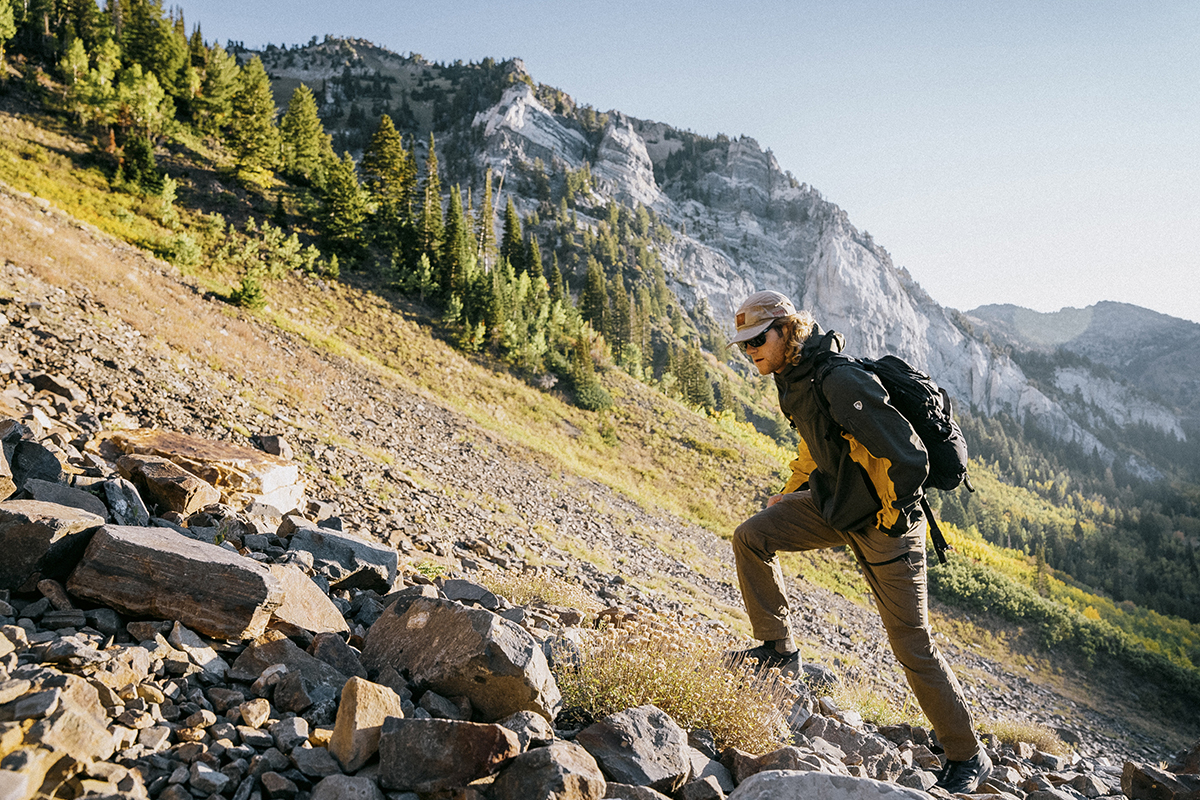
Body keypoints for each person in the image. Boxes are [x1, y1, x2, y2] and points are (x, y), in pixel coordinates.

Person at [727, 290, 992, 794]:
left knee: (911, 644)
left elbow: (909, 459)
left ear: (787, 330)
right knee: (753, 535)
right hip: (836, 506)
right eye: (743, 346)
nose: (751, 351)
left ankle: (968, 754)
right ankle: (778, 648)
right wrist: (788, 498)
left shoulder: (839, 378)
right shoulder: (793, 378)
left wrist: (889, 519)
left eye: (758, 339)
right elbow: (814, 443)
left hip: (886, 522)